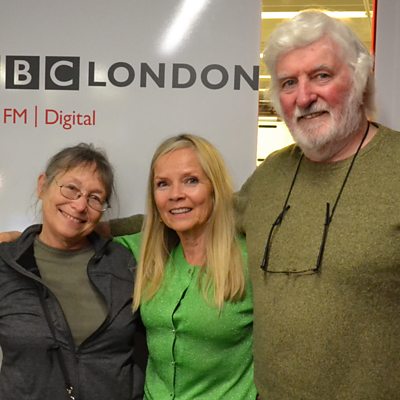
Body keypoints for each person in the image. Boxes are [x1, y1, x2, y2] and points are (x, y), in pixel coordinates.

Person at [99, 10, 400, 400]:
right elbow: (190, 211)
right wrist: (88, 226)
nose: (304, 96)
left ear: (359, 78)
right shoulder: (272, 174)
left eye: (321, 75)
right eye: (289, 83)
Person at [114, 134, 257, 399]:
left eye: (191, 180)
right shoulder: (149, 252)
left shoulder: (251, 262)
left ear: (214, 188)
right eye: (163, 184)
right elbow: (78, 235)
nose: (175, 195)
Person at [0, 143, 145, 400]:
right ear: (43, 186)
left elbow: (168, 220)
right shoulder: (7, 263)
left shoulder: (125, 263)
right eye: (71, 188)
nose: (79, 206)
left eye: (95, 198)